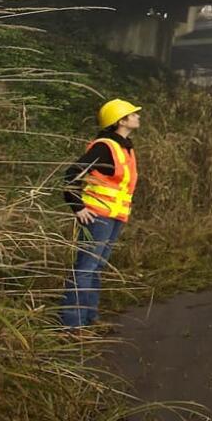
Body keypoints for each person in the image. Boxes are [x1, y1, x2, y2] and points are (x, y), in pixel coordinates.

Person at [59, 98, 142, 330]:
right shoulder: (105, 146)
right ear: (121, 121)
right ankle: (72, 326)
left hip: (114, 217)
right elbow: (71, 174)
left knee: (95, 269)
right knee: (85, 269)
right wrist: (78, 207)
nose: (137, 117)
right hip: (97, 216)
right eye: (132, 114)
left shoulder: (125, 147)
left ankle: (89, 319)